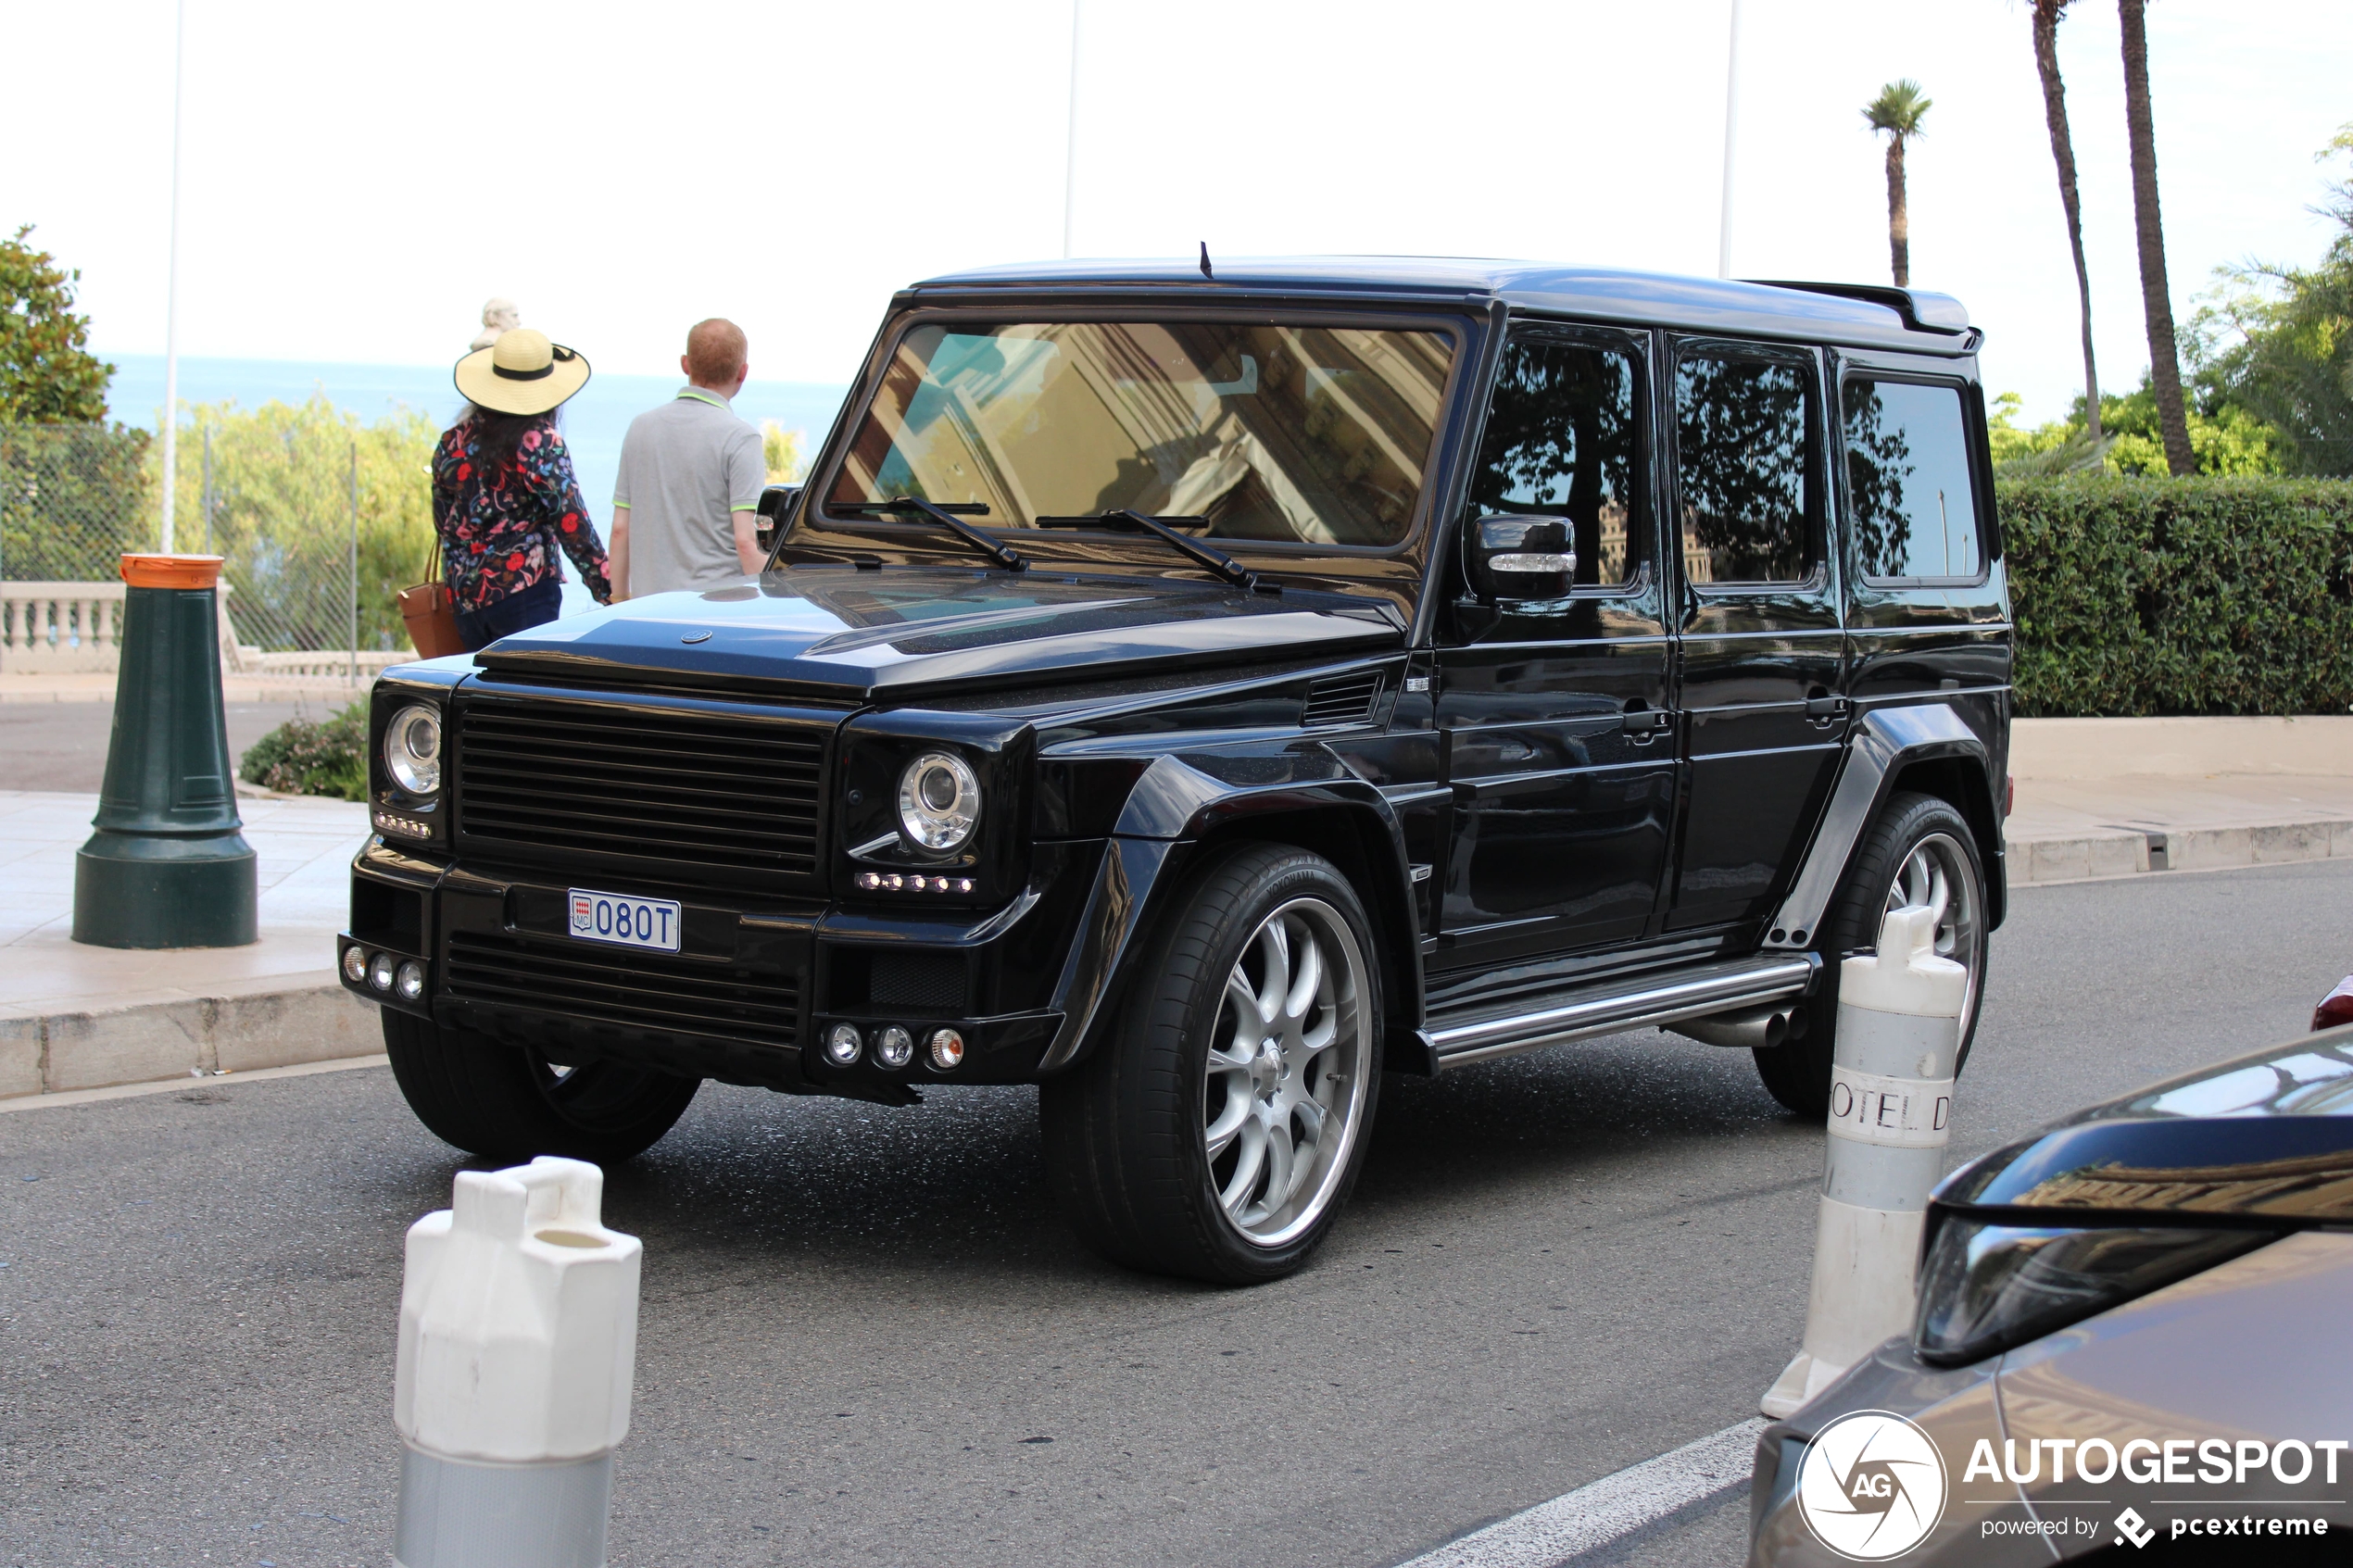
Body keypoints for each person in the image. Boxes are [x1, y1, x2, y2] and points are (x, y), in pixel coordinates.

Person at [435, 327, 611, 651]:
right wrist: (606, 587)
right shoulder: (539, 442)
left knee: (482, 696)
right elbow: (571, 523)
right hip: (523, 595)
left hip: (465, 601)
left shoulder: (453, 441)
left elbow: (444, 523)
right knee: (525, 696)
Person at [610, 318, 767, 599]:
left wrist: (619, 600)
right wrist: (780, 595)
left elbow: (620, 529)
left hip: (648, 608)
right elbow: (746, 542)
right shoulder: (741, 438)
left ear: (685, 364)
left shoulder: (640, 427)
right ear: (742, 373)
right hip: (717, 610)